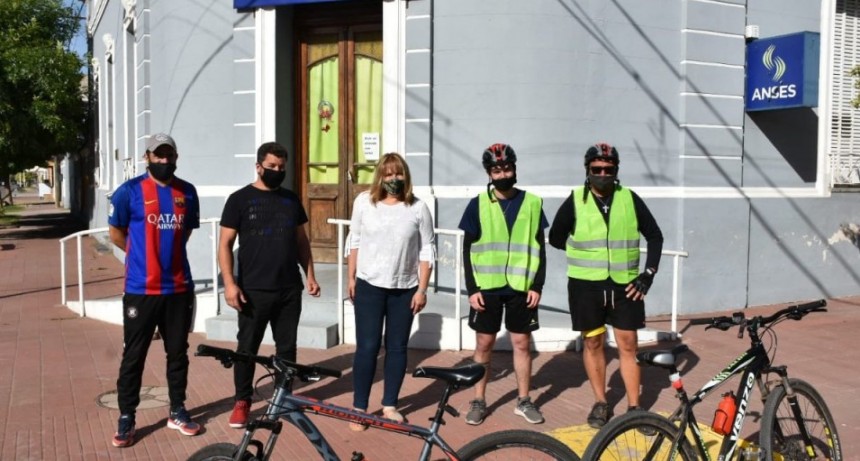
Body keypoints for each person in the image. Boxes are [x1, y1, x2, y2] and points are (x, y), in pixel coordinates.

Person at [549, 142, 664, 429]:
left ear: (616, 171)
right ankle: (601, 402)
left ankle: (635, 408)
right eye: (596, 169)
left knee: (628, 344)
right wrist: (586, 254)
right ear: (587, 171)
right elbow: (555, 237)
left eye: (608, 169)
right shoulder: (576, 199)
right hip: (586, 287)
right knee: (593, 342)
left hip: (626, 286)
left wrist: (647, 274)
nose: (603, 173)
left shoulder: (629, 198)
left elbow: (655, 236)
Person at [107, 133, 201, 447]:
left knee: (178, 354)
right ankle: (126, 416)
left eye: (169, 156)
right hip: (140, 289)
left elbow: (184, 233)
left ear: (176, 157)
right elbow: (116, 233)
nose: (164, 161)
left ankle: (177, 410)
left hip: (177, 289)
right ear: (147, 157)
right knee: (134, 355)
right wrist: (139, 258)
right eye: (158, 156)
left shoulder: (187, 192)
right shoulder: (129, 191)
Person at [218, 142, 321, 429]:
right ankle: (242, 401)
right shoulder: (239, 199)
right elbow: (225, 244)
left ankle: (283, 398)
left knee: (287, 348)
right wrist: (230, 284)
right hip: (252, 290)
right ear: (258, 166)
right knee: (246, 349)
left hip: (289, 288)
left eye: (281, 167)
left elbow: (301, 242)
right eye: (272, 166)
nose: (277, 171)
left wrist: (310, 275)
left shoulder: (290, 200)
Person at [458, 143, 548, 425]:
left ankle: (523, 400)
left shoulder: (533, 203)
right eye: (497, 170)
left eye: (507, 168)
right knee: (484, 344)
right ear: (489, 173)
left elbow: (540, 248)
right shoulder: (478, 204)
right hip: (487, 287)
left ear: (515, 168)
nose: (503, 174)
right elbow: (467, 249)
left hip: (522, 286)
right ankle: (479, 400)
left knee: (522, 343)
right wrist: (472, 290)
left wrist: (537, 285)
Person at [346, 152, 435, 430]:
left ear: (405, 176)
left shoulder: (418, 208)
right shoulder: (364, 202)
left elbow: (427, 249)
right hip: (369, 285)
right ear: (380, 177)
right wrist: (351, 277)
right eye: (388, 174)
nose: (393, 179)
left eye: (398, 174)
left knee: (396, 348)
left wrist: (421, 289)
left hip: (404, 289)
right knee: (368, 347)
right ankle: (359, 408)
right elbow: (355, 239)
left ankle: (390, 405)